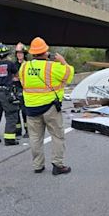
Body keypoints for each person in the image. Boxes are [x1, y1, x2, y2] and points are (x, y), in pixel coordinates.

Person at [19, 37, 74, 175]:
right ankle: (57, 165)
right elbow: (69, 75)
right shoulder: (52, 67)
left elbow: (23, 82)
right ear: (45, 52)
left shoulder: (24, 67)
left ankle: (38, 165)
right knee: (57, 136)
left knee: (35, 138)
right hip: (50, 108)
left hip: (31, 108)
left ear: (32, 53)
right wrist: (63, 62)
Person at [14, 42, 28, 138]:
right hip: (15, 89)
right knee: (16, 111)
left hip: (25, 90)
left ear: (24, 54)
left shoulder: (28, 65)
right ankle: (18, 130)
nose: (19, 54)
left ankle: (28, 131)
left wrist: (19, 78)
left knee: (25, 111)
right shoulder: (13, 65)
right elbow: (12, 77)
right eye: (18, 53)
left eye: (21, 53)